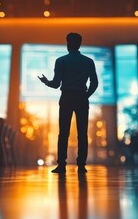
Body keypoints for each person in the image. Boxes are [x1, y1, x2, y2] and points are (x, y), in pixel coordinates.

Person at [38, 32, 98, 174]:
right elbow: (94, 83)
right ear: (79, 44)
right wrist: (85, 95)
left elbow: (56, 84)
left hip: (66, 97)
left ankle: (62, 165)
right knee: (82, 133)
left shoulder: (61, 61)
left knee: (63, 133)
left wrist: (46, 81)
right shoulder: (88, 61)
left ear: (68, 43)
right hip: (81, 98)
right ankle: (81, 165)